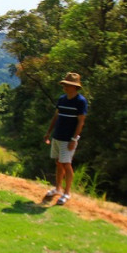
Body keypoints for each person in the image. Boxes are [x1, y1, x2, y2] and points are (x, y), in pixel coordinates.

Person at [43, 72, 88, 205]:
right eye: (65, 84)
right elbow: (56, 116)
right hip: (57, 136)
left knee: (66, 164)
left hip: (68, 139)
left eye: (68, 85)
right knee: (58, 162)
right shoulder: (62, 99)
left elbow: (81, 122)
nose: (65, 87)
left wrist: (74, 140)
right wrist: (48, 132)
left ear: (75, 87)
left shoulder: (81, 101)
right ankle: (58, 188)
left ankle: (67, 193)